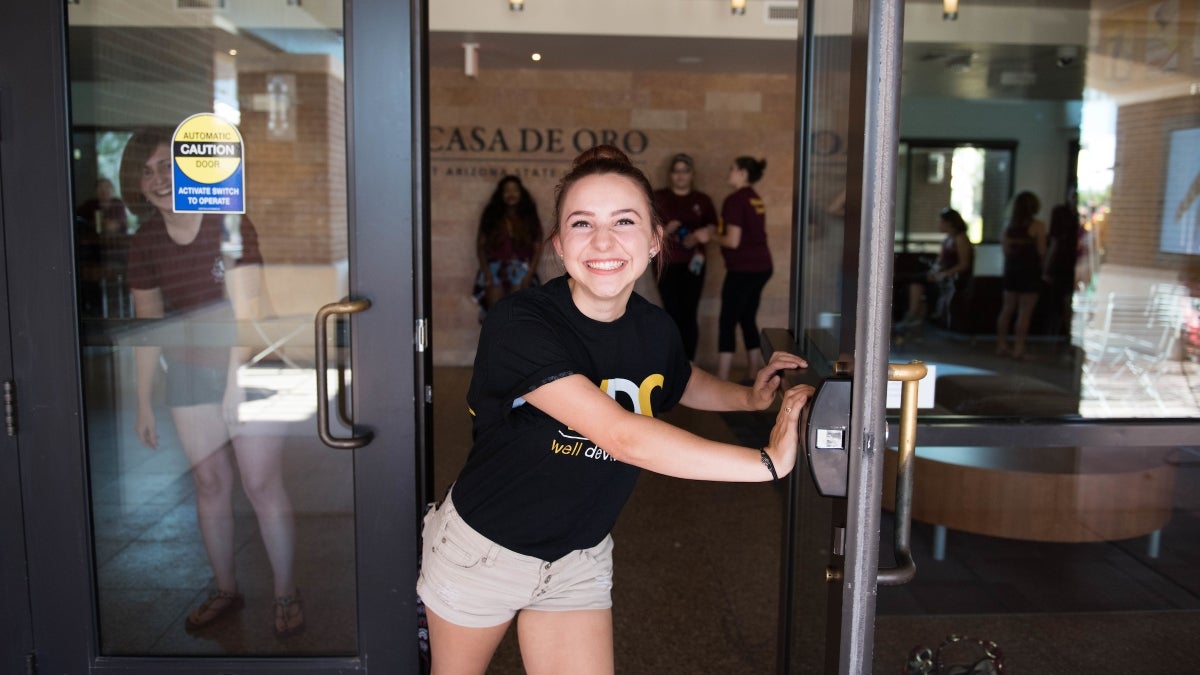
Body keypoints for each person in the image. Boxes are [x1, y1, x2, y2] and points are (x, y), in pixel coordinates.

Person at [416, 145, 813, 675]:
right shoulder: (519, 324)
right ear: (558, 245)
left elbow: (677, 376)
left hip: (578, 556)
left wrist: (748, 396)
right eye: (582, 224)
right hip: (484, 552)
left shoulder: (654, 328)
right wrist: (766, 463)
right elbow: (623, 436)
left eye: (624, 221)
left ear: (654, 241)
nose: (603, 241)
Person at [120, 128, 302, 639]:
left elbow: (247, 315)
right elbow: (148, 327)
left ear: (188, 171)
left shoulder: (228, 223)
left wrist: (234, 383)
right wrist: (142, 402)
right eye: (147, 169)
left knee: (260, 483)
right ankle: (226, 588)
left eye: (166, 166)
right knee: (209, 483)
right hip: (188, 372)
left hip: (254, 365)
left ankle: (287, 593)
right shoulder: (145, 241)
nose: (158, 179)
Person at [711, 156, 773, 381]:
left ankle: (721, 377)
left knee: (727, 320)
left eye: (732, 169)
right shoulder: (754, 198)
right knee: (747, 317)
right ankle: (755, 372)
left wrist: (711, 235)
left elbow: (732, 241)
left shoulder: (735, 200)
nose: (729, 172)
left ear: (743, 173)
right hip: (762, 266)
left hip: (744, 269)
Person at [653, 153, 716, 361]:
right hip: (667, 263)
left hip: (693, 264)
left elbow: (713, 228)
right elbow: (645, 228)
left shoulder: (702, 200)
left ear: (692, 174)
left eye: (685, 171)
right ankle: (672, 362)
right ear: (670, 174)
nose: (680, 176)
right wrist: (665, 230)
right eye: (676, 171)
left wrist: (701, 235)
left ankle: (689, 364)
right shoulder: (659, 197)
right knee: (670, 313)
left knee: (689, 313)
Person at [473, 174, 544, 319]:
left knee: (517, 314)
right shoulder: (491, 215)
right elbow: (480, 246)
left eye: (515, 190)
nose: (511, 194)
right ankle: (495, 341)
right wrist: (486, 273)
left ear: (521, 193)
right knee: (495, 315)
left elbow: (537, 247)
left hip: (521, 268)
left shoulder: (529, 216)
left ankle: (515, 341)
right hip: (494, 268)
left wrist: (529, 273)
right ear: (501, 194)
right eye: (507, 191)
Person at [900, 207, 973, 330]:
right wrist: (934, 272)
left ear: (949, 223)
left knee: (917, 280)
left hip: (955, 278)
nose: (937, 224)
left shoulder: (960, 239)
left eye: (940, 221)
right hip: (943, 275)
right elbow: (940, 262)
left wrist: (943, 274)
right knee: (915, 279)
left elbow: (964, 264)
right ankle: (915, 317)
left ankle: (913, 316)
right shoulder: (947, 240)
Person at [995, 190, 1047, 360]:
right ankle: (1019, 348)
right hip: (1030, 272)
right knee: (1025, 311)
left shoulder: (1008, 227)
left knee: (1007, 308)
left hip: (1011, 271)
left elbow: (1005, 251)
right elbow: (1041, 250)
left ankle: (1001, 345)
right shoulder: (1038, 226)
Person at [1043, 201, 1081, 343]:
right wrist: (1047, 267)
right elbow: (1054, 244)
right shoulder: (1062, 223)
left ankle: (1068, 335)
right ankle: (1064, 334)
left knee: (1066, 302)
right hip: (1062, 268)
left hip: (1071, 267)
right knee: (1061, 302)